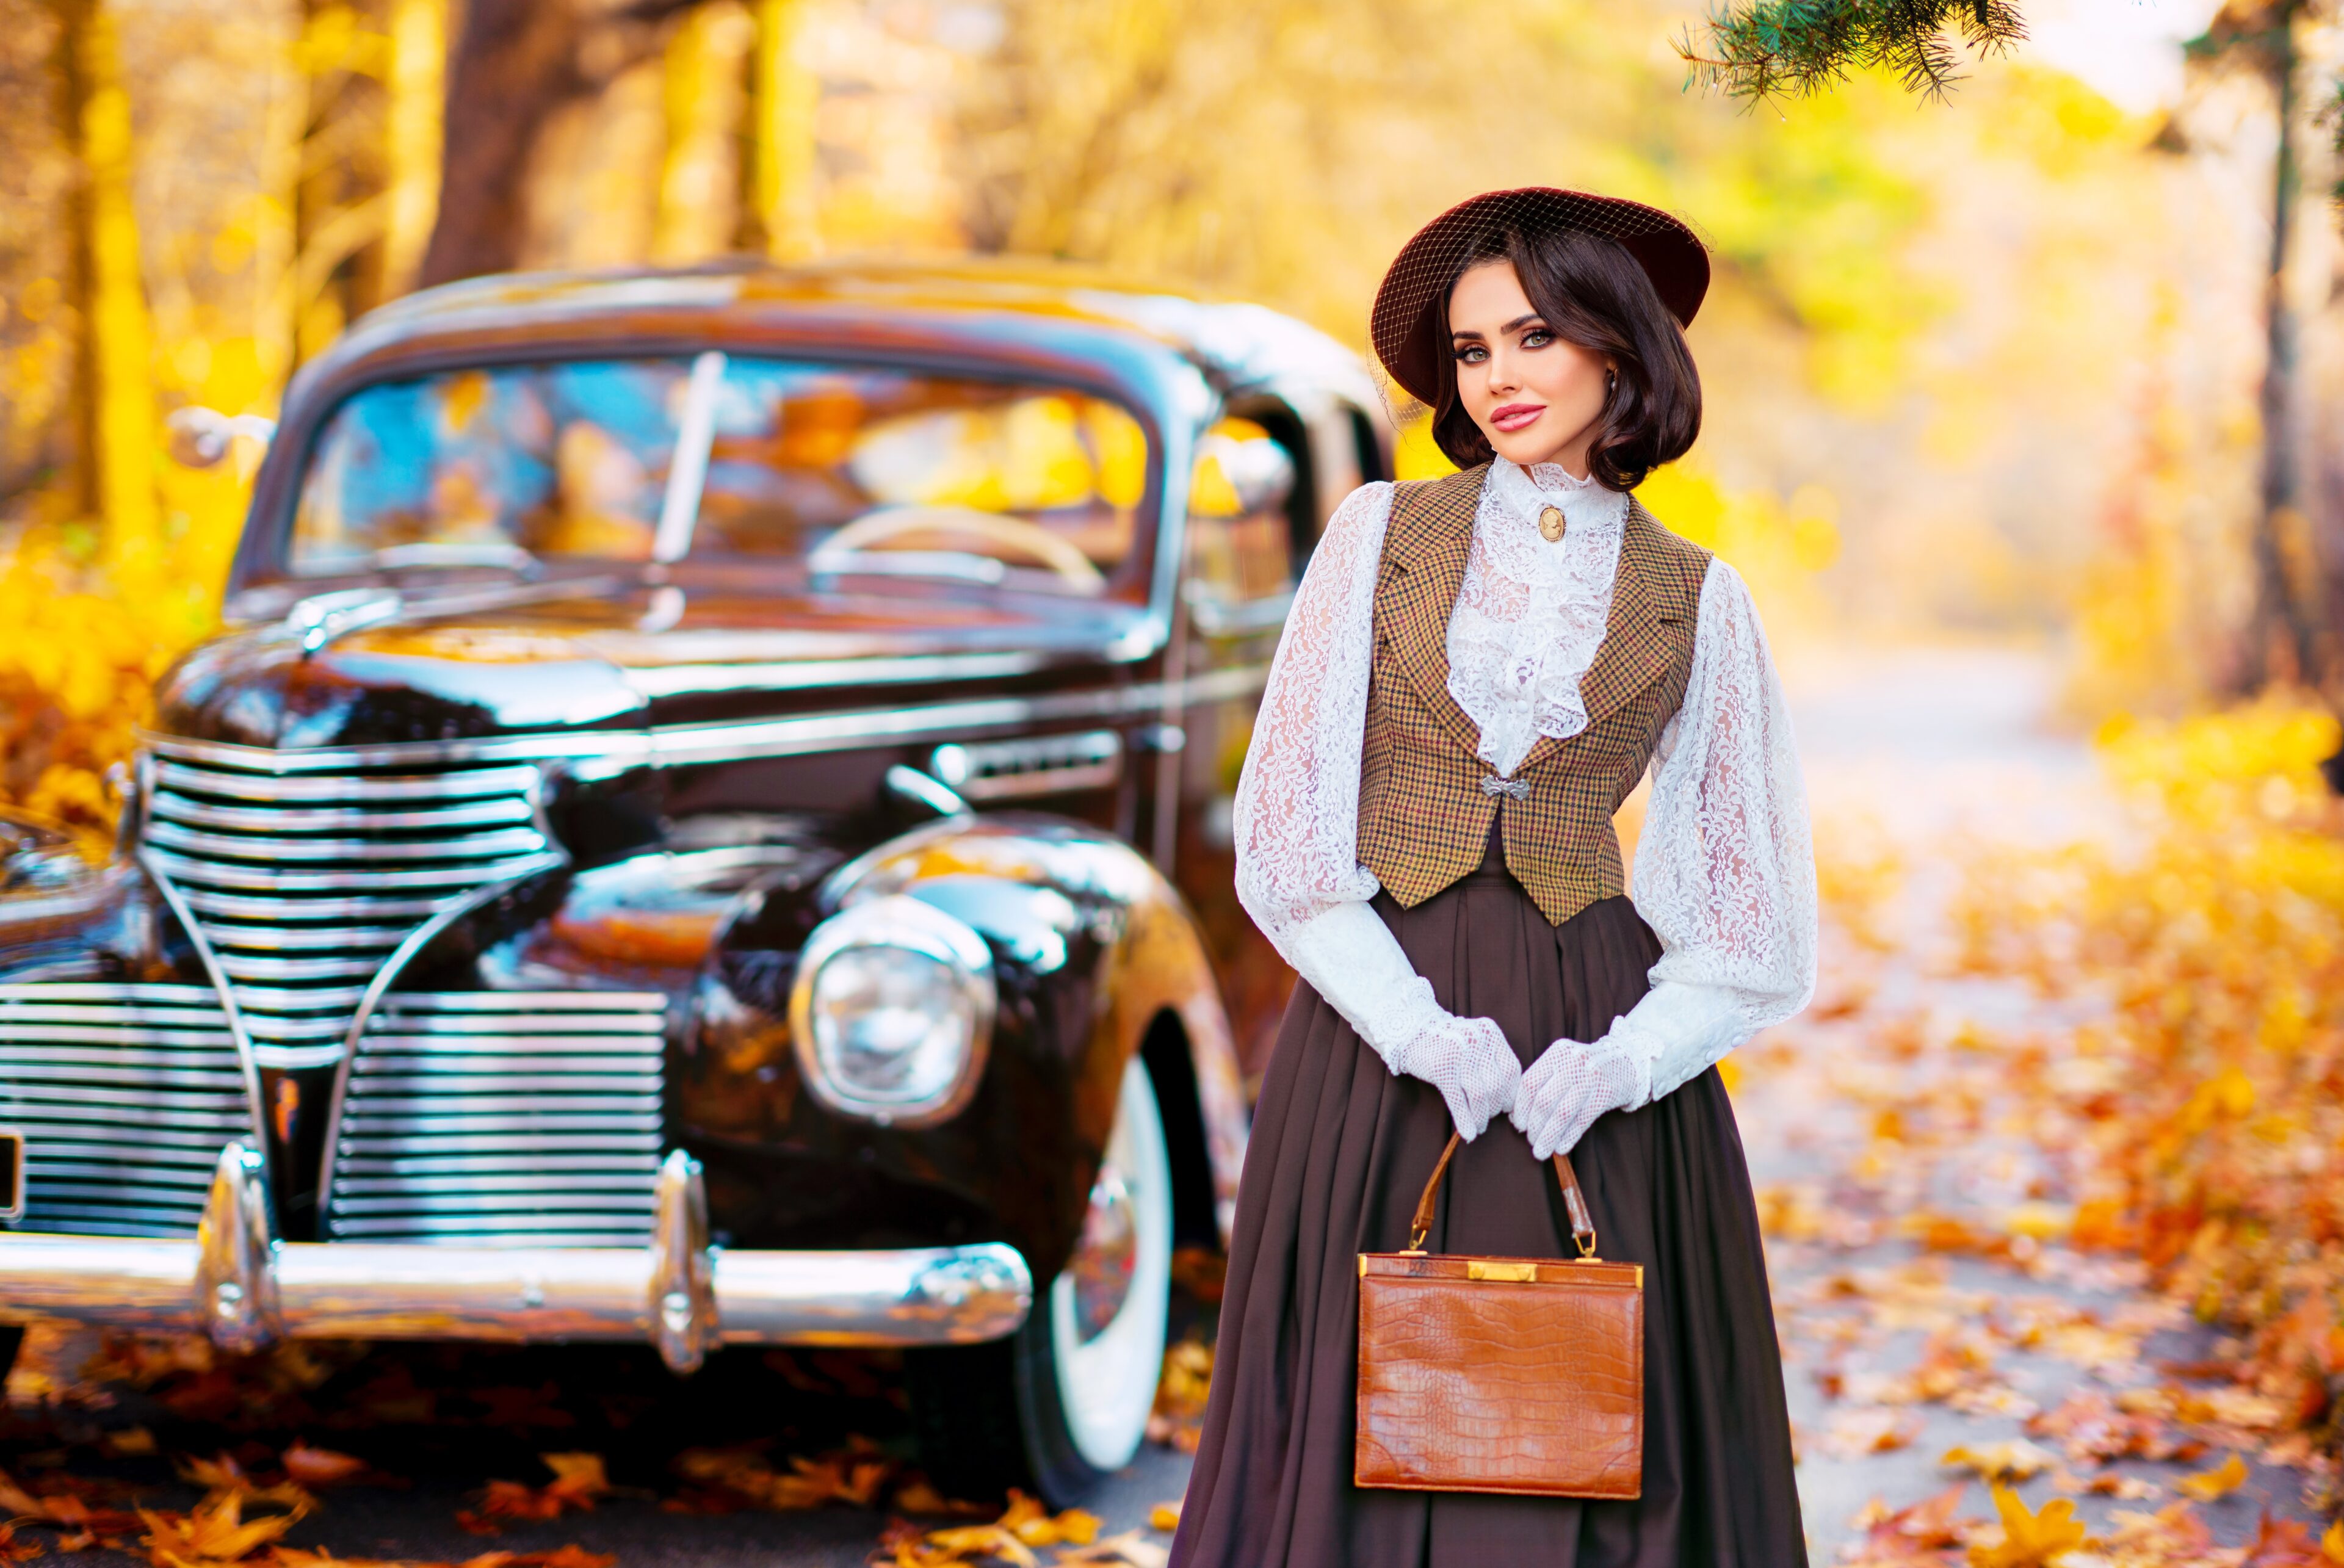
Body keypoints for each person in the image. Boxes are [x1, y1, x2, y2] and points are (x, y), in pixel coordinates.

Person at [1169, 188, 1818, 1567]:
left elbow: (1748, 918)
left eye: (1535, 335)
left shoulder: (1697, 596)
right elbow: (1283, 836)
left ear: (1621, 350)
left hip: (1597, 1039)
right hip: (1378, 1038)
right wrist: (1411, 1026)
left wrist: (1626, 1062)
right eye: (1473, 351)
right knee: (1370, 1412)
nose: (1502, 376)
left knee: (1583, 1426)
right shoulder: (1376, 538)